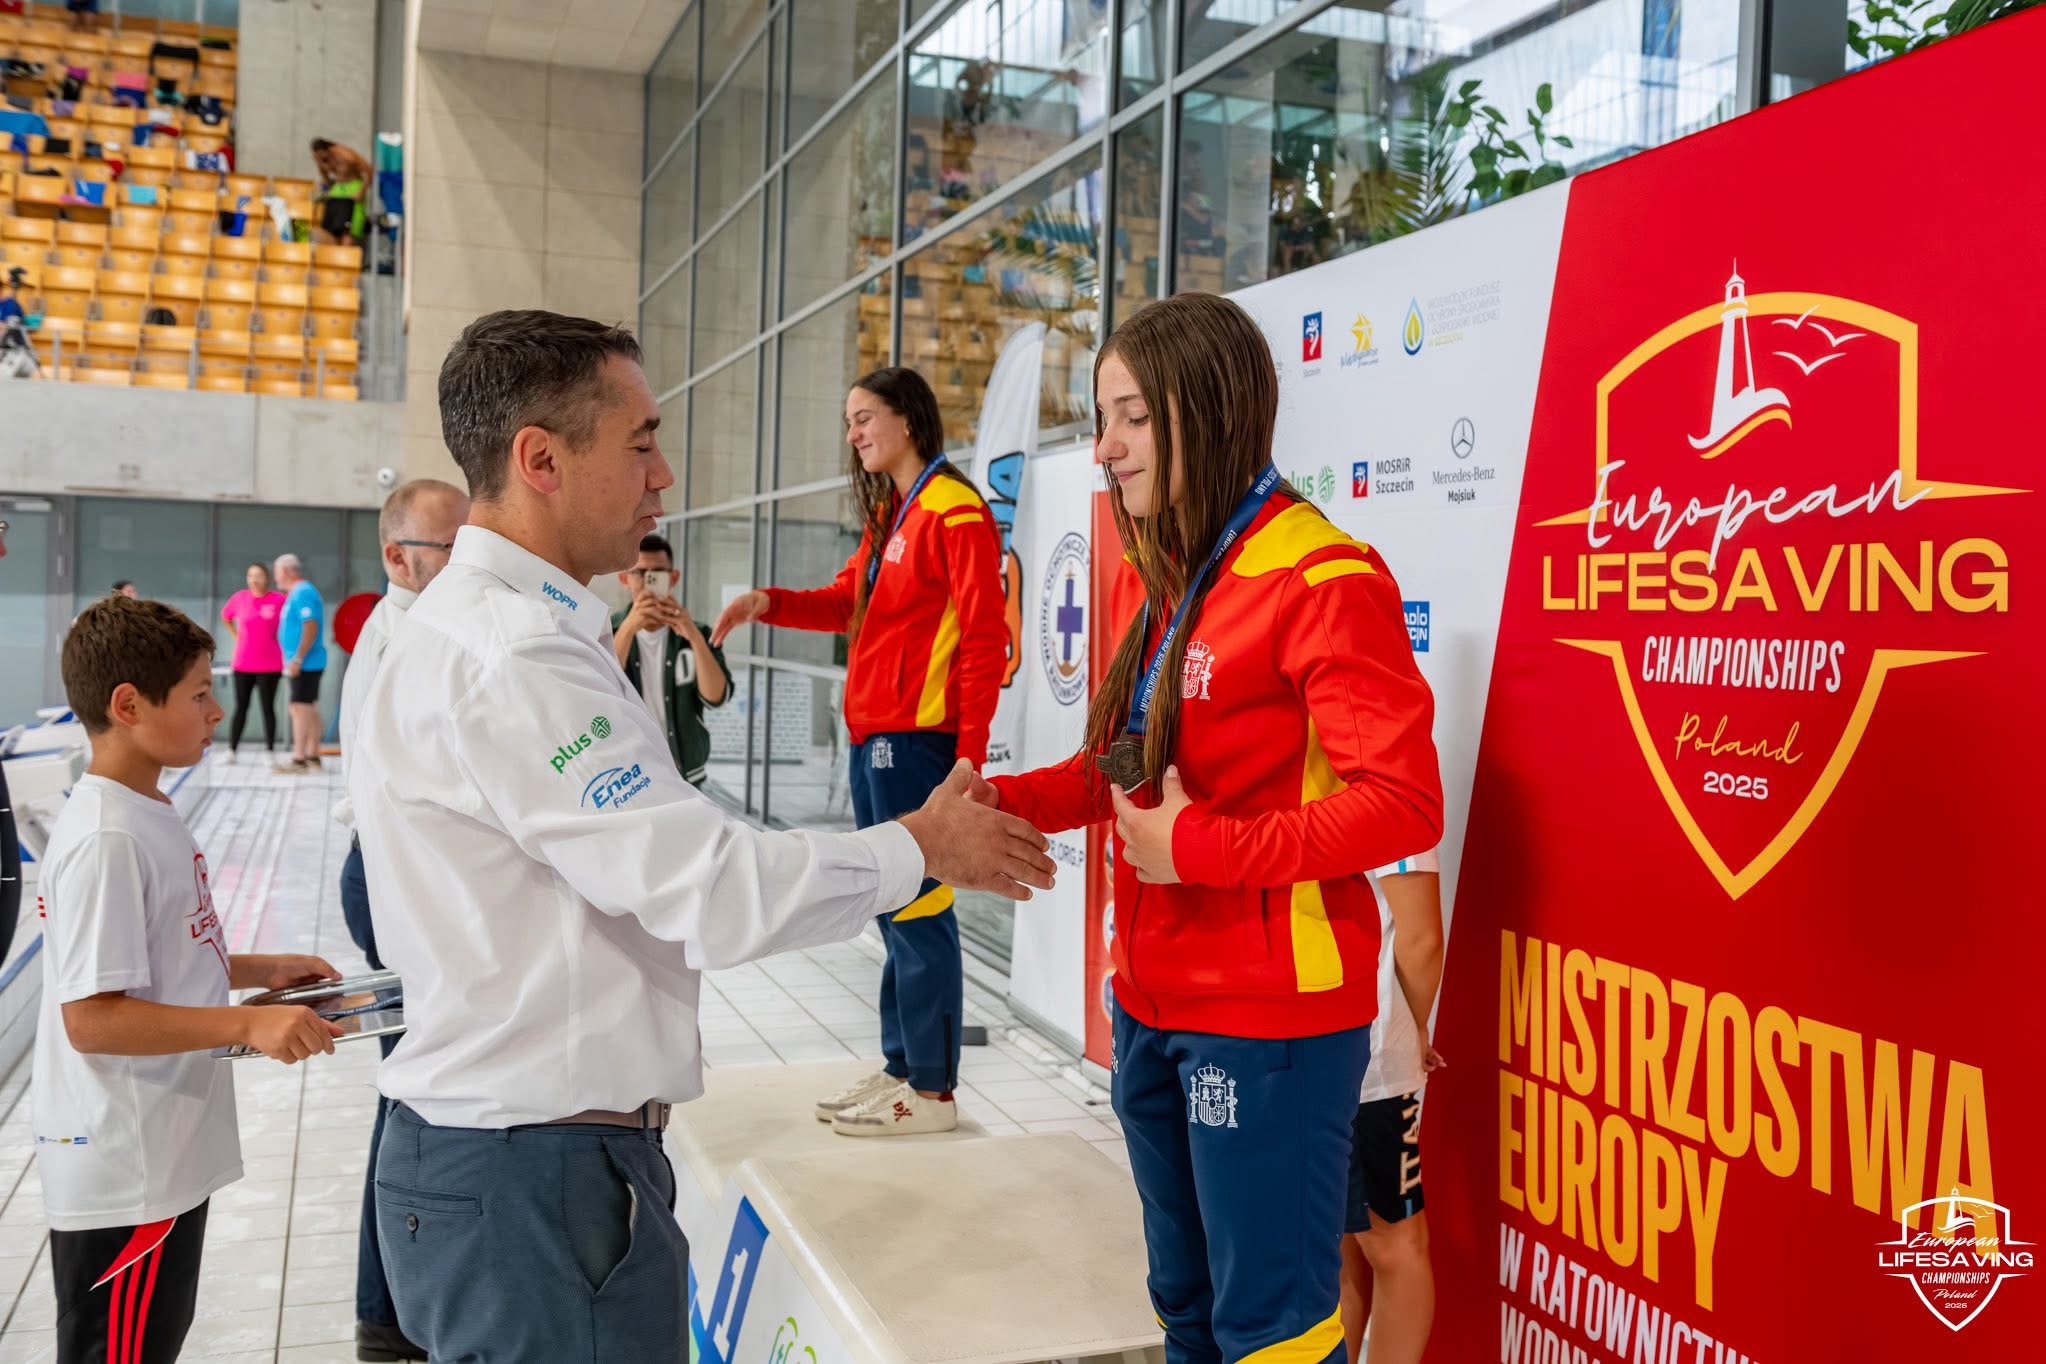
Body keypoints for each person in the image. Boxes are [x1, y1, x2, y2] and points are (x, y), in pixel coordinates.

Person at [348, 309, 1054, 1363]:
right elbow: (711, 887)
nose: (663, 474)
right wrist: (919, 846)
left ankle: (924, 1069)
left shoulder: (469, 629)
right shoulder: (516, 658)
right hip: (535, 1179)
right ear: (541, 460)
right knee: (910, 929)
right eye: (639, 443)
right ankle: (920, 1066)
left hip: (506, 1160)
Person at [975, 292, 1443, 1363]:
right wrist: (1000, 805)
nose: (1105, 448)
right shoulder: (1181, 574)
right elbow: (1122, 769)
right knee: (1183, 1307)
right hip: (1150, 1000)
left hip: (1270, 1021)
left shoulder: (1320, 575)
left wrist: (1200, 849)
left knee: (1270, 1331)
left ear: (1211, 406)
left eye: (1132, 417)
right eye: (1103, 418)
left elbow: (1404, 802)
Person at [32, 595, 343, 1364]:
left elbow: (147, 956)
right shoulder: (107, 837)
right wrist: (248, 1023)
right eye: (200, 694)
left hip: (160, 1148)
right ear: (128, 705)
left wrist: (258, 971)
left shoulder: (144, 807)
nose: (217, 711)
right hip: (126, 1168)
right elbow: (93, 1018)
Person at [713, 366, 1007, 1137]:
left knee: (921, 907)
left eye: (864, 417)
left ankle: (933, 1092)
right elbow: (849, 603)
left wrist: (969, 757)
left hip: (919, 743)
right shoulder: (892, 514)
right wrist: (768, 603)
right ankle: (903, 1068)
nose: (854, 433)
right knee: (891, 903)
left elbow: (984, 638)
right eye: (849, 421)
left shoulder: (953, 510)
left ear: (907, 418)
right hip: (874, 739)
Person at [332, 476, 468, 1364]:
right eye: (452, 549)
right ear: (398, 557)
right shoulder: (407, 639)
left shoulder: (419, 626)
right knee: (412, 1094)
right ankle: (387, 1317)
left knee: (412, 1088)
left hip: (392, 869)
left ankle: (391, 1313)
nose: (470, 564)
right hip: (388, 875)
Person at [1339, 854, 1446, 1364]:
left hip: (1372, 1062)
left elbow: (1422, 940)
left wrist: (1411, 1029)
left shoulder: (1395, 805)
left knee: (1393, 1243)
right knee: (1342, 1242)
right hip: (1325, 1044)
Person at [612, 532, 730, 784]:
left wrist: (693, 635)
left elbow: (717, 697)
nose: (648, 581)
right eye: (639, 573)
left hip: (686, 773)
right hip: (627, 774)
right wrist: (629, 628)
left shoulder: (700, 633)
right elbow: (601, 684)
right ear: (624, 578)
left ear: (673, 578)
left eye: (657, 574)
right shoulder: (606, 632)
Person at [219, 562, 285, 761]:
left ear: (267, 578)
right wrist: (236, 635)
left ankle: (270, 751)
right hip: (243, 664)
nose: (254, 580)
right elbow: (226, 616)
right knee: (241, 708)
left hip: (270, 665)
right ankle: (232, 750)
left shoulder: (278, 600)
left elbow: (292, 624)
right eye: (250, 576)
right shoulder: (240, 598)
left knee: (268, 708)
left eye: (258, 575)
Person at [272, 553, 327, 773]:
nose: (275, 578)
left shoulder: (303, 592)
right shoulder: (296, 593)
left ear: (286, 571)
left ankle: (299, 759)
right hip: (304, 662)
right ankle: (312, 755)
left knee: (300, 708)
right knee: (308, 708)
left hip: (306, 663)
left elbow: (310, 626)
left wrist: (297, 658)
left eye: (276, 572)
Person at [310, 138, 371, 248]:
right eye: (317, 158)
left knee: (349, 232)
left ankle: (346, 252)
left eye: (320, 157)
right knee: (330, 229)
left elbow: (369, 171)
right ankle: (334, 254)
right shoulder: (321, 160)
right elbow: (326, 178)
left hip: (353, 188)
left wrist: (362, 191)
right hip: (337, 189)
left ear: (327, 150)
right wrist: (324, 188)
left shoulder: (347, 155)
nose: (320, 160)